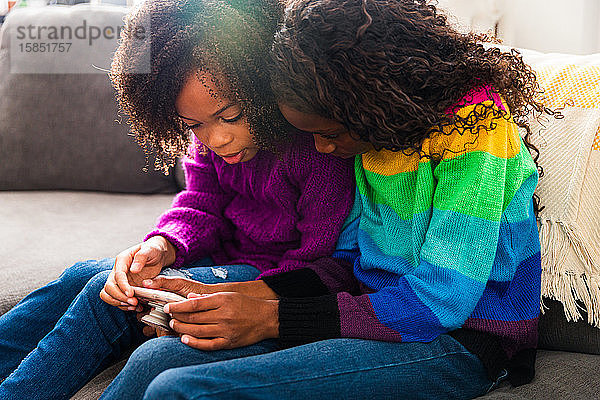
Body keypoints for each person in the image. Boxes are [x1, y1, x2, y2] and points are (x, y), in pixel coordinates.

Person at [114, 0, 549, 399]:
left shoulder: (476, 130)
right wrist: (236, 294)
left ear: (370, 103)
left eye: (328, 134)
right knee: (156, 359)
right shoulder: (374, 134)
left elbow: (438, 303)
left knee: (182, 390)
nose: (321, 150)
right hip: (371, 319)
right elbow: (345, 265)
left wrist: (270, 316)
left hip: (458, 342)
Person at [0, 1, 355, 399]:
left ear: (262, 84)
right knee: (82, 276)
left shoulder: (317, 151)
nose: (216, 139)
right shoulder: (209, 142)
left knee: (108, 297)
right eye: (193, 125)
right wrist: (161, 245)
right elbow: (199, 204)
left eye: (231, 115)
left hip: (269, 280)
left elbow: (317, 264)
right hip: (216, 258)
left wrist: (219, 298)